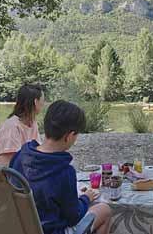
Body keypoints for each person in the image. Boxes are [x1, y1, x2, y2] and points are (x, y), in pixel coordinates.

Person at [10, 100, 112, 234]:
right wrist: (86, 198)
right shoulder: (64, 171)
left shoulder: (20, 155)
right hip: (52, 231)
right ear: (69, 136)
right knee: (105, 210)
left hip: (21, 228)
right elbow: (73, 217)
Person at [0, 84, 44, 166]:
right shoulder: (11, 127)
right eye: (42, 100)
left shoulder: (32, 123)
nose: (43, 103)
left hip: (24, 172)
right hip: (4, 177)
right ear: (35, 102)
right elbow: (10, 166)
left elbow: (38, 150)